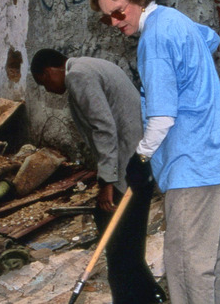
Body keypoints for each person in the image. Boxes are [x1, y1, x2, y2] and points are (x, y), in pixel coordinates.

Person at [89, 0, 220, 304]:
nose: (116, 23)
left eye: (118, 13)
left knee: (188, 264)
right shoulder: (175, 21)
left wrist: (141, 157)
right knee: (216, 258)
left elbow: (162, 117)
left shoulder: (155, 40)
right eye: (107, 19)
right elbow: (211, 38)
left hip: (194, 163)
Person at [31, 48, 166, 303]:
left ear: (49, 72)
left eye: (43, 83)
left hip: (129, 165)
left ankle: (133, 297)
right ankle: (149, 293)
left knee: (117, 239)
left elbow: (104, 129)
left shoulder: (78, 75)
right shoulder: (88, 67)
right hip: (136, 163)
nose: (47, 90)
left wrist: (107, 182)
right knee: (126, 236)